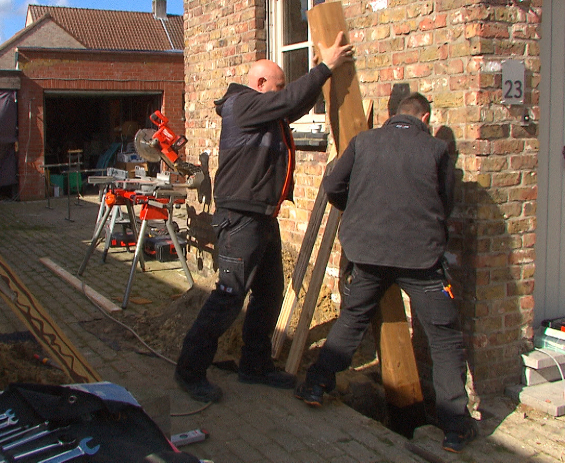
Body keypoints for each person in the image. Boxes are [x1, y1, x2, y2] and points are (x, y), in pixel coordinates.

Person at [174, 33, 356, 404]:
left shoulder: (263, 110)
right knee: (228, 296)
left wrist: (323, 77)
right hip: (241, 219)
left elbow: (293, 105)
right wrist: (324, 67)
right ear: (260, 85)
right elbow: (288, 100)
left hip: (261, 217)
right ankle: (189, 370)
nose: (281, 93)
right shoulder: (242, 104)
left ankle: (254, 365)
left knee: (270, 292)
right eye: (277, 86)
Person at [294, 92, 477, 453]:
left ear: (394, 115)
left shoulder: (364, 141)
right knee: (443, 338)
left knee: (352, 319)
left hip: (369, 255)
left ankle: (316, 384)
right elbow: (446, 203)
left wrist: (357, 207)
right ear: (425, 117)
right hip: (421, 261)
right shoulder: (438, 151)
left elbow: (332, 186)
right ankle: (455, 426)